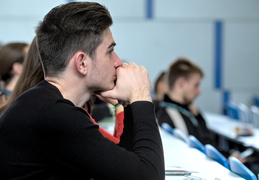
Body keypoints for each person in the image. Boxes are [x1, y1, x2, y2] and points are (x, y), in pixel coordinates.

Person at [0, 2, 164, 180]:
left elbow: (122, 169)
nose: (118, 62)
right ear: (82, 63)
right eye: (110, 51)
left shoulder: (45, 104)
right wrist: (141, 97)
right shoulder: (55, 114)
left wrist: (130, 103)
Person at [156, 57, 214, 145]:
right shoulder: (172, 116)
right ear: (181, 83)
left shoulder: (186, 111)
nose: (199, 92)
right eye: (196, 85)